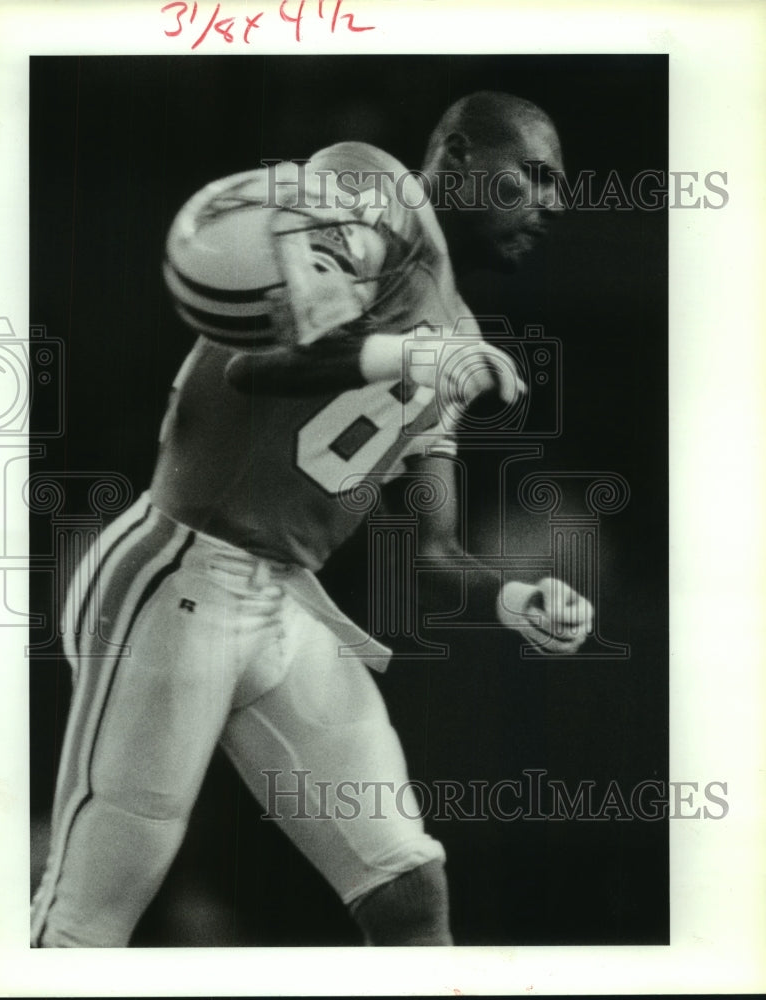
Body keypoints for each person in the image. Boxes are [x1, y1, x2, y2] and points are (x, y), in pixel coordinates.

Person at [30, 92, 592, 948]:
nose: (552, 204)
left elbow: (434, 549)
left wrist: (512, 596)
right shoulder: (373, 192)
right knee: (87, 916)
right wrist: (414, 353)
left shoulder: (460, 332)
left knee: (407, 887)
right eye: (535, 176)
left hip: (281, 604)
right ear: (463, 153)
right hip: (175, 574)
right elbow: (257, 361)